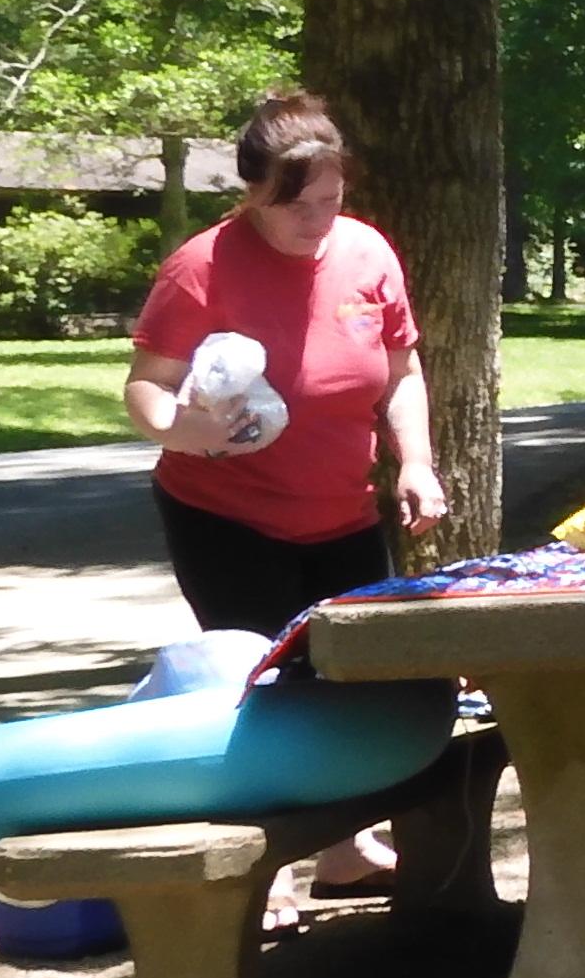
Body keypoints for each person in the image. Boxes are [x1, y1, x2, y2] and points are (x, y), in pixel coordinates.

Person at [121, 87, 449, 636]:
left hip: (348, 518)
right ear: (254, 191)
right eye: (296, 206)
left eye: (332, 200)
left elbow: (401, 372)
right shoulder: (202, 265)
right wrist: (187, 428)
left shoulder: (368, 253)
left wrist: (415, 461)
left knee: (363, 675)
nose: (317, 220)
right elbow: (145, 388)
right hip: (227, 522)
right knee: (270, 681)